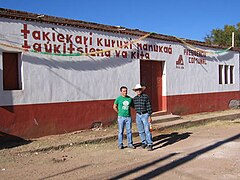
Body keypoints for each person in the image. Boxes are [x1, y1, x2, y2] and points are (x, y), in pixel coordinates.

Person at [132, 84, 153, 151]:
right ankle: (144, 142)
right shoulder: (134, 99)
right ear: (135, 91)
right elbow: (133, 106)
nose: (138, 91)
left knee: (147, 130)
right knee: (140, 130)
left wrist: (150, 116)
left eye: (139, 89)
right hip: (138, 115)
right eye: (137, 90)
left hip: (145, 114)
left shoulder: (146, 97)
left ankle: (150, 144)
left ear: (141, 90)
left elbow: (149, 106)